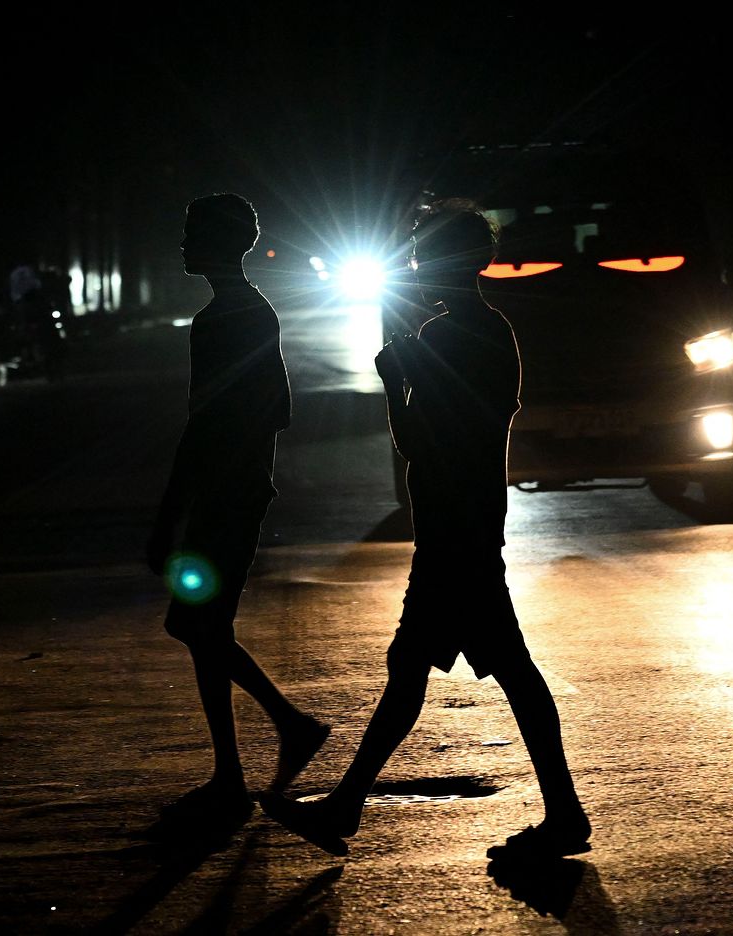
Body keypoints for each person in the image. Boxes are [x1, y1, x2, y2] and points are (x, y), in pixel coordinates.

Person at [260, 201, 592, 858]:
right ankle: (349, 804)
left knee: (462, 670)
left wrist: (394, 381)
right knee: (434, 668)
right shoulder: (492, 331)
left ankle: (559, 815)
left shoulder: (443, 342)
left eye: (420, 257)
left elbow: (421, 442)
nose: (415, 270)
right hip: (471, 521)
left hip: (451, 528)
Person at [147, 192, 330, 825]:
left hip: (226, 494)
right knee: (199, 625)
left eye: (192, 232)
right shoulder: (249, 313)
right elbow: (273, 410)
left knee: (199, 625)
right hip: (237, 489)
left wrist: (172, 509)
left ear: (218, 243)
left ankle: (266, 744)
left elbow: (206, 424)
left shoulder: (226, 320)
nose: (182, 243)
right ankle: (259, 746)